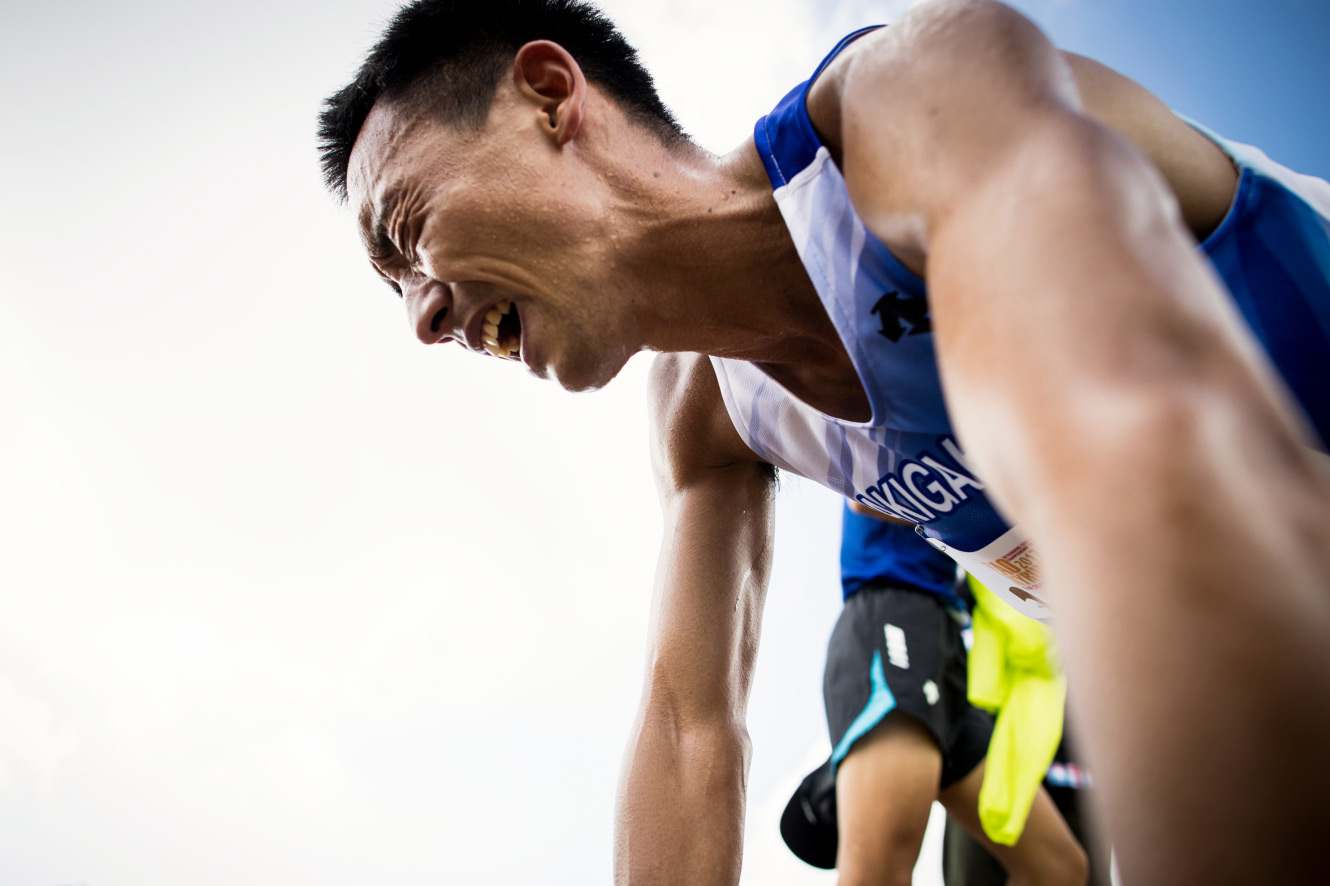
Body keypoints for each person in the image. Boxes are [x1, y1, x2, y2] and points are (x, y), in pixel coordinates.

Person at [316, 1, 1330, 883]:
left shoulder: (904, 104)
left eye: (405, 233)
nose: (422, 319)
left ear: (547, 94)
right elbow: (687, 732)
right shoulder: (703, 410)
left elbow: (1135, 456)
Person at [780, 502, 1088, 885]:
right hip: (895, 613)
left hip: (946, 640)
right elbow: (863, 498)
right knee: (881, 874)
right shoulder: (901, 441)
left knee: (1059, 870)